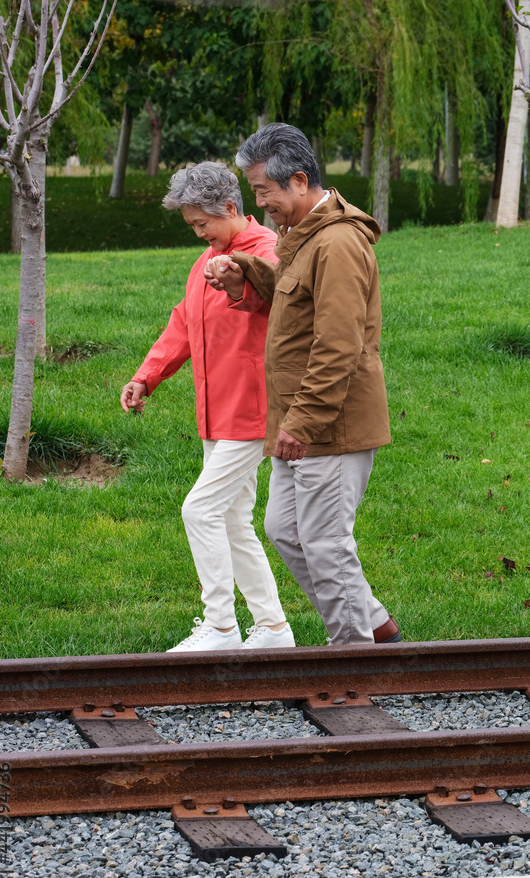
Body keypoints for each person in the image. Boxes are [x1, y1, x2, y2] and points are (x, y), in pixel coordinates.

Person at [204, 124, 400, 646]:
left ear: (297, 180)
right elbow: (295, 304)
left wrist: (304, 422)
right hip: (300, 421)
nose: (259, 202)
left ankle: (354, 656)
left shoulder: (337, 243)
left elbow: (339, 345)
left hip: (326, 425)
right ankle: (374, 624)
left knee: (324, 541)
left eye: (263, 190)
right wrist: (246, 271)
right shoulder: (304, 236)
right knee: (286, 532)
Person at [120, 161, 294, 652]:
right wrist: (145, 376)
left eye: (203, 224)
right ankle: (274, 629)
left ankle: (220, 626)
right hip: (216, 414)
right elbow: (183, 324)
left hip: (252, 412)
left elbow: (272, 296)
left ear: (232, 208)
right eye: (192, 226)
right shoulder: (207, 260)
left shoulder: (267, 252)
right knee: (234, 520)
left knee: (199, 510)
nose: (200, 235)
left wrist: (238, 277)